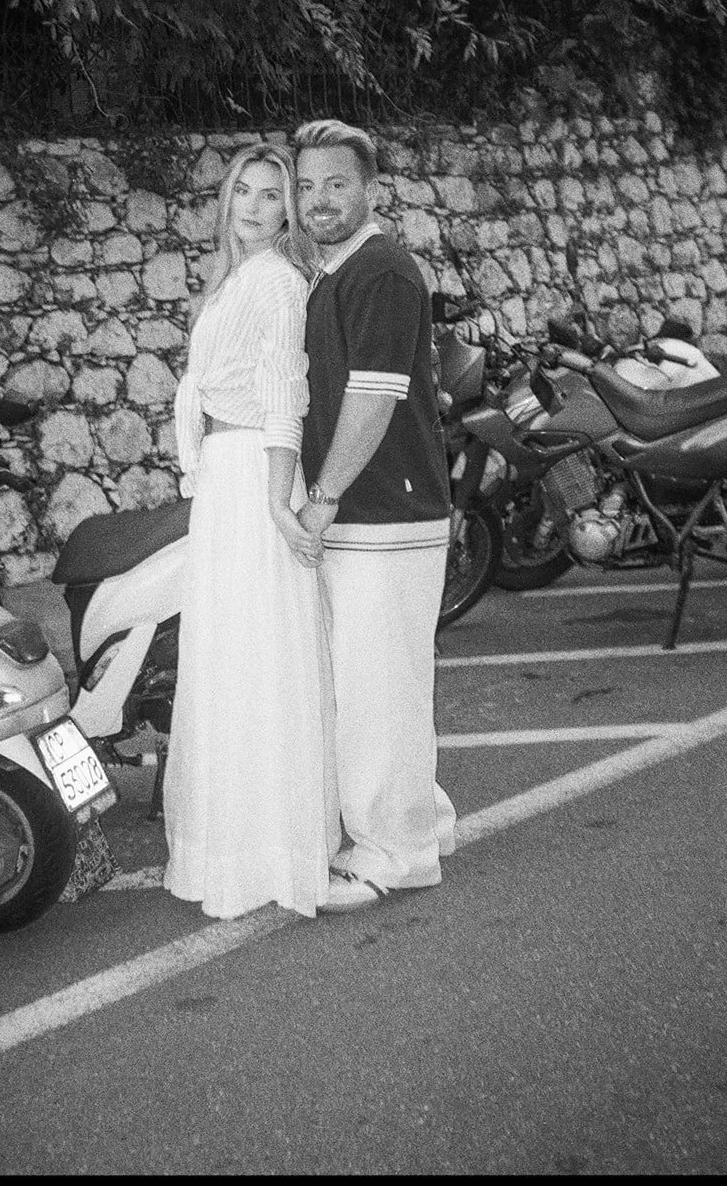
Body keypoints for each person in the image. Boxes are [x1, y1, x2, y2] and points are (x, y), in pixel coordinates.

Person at [163, 143, 340, 919]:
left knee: (261, 660)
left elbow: (282, 397)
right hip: (224, 484)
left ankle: (271, 851)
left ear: (287, 214)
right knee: (229, 662)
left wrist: (276, 503)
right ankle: (234, 846)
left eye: (274, 197)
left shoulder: (274, 282)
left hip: (252, 479)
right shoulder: (232, 279)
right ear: (226, 197)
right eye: (246, 190)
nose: (257, 206)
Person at [294, 120, 457, 910]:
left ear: (368, 188)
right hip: (367, 516)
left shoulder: (381, 270)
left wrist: (322, 499)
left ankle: (394, 853)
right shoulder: (336, 271)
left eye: (335, 183)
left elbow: (373, 396)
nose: (318, 199)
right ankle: (422, 818)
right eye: (306, 186)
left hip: (385, 515)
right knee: (376, 681)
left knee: (375, 691)